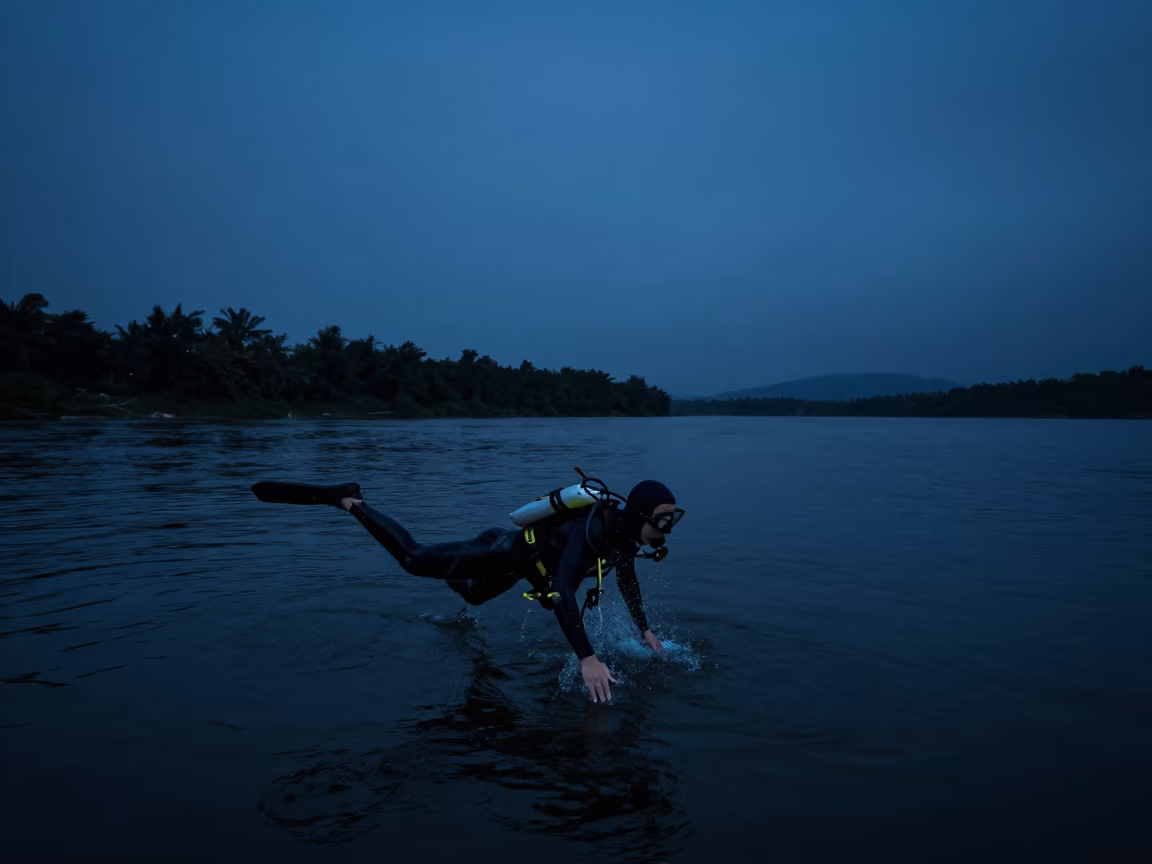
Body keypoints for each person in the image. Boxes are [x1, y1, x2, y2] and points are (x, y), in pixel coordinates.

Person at [250, 477, 684, 703]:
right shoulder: (592, 529)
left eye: (671, 521)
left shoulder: (626, 538)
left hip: (520, 569)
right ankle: (348, 500)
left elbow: (626, 578)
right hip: (501, 551)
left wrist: (645, 631)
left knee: (473, 597)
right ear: (640, 513)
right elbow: (563, 593)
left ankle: (452, 578)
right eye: (661, 521)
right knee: (415, 559)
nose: (666, 531)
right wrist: (587, 658)